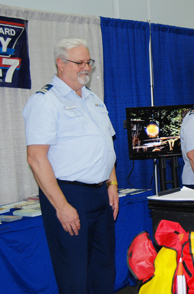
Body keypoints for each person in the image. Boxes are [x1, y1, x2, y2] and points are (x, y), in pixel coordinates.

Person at [23, 38, 119, 294]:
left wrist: (112, 183)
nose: (85, 67)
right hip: (69, 194)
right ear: (60, 63)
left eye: (89, 62)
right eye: (79, 62)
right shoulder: (45, 101)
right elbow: (36, 157)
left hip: (101, 194)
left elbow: (105, 146)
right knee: (75, 275)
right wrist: (62, 205)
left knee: (103, 270)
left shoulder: (93, 99)